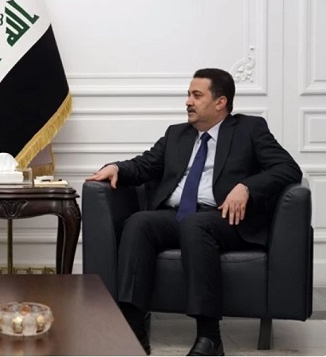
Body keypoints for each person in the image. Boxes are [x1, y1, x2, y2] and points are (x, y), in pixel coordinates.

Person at [86, 68, 301, 356]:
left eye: (197, 95)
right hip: (177, 215)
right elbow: (145, 165)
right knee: (138, 223)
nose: (188, 101)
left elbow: (288, 168)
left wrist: (247, 187)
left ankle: (210, 338)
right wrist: (116, 168)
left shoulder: (250, 129)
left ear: (220, 102)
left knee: (196, 225)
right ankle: (133, 329)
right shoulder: (177, 134)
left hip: (224, 218)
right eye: (188, 94)